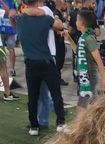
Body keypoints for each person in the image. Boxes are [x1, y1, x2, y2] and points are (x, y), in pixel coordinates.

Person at [16, 0, 67, 135]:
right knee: (56, 93)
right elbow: (60, 25)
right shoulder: (46, 18)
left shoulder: (21, 19)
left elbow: (16, 20)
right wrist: (54, 15)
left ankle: (34, 126)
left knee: (33, 96)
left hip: (30, 63)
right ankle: (60, 123)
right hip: (46, 61)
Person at [73, 9, 105, 110]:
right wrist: (68, 38)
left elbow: (99, 61)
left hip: (89, 76)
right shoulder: (83, 37)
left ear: (82, 23)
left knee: (81, 107)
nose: (75, 22)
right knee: (88, 105)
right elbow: (77, 51)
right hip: (85, 75)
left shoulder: (89, 39)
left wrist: (104, 82)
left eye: (77, 20)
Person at [0, 0, 18, 76]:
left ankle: (3, 67)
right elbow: (15, 14)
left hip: (1, 28)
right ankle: (12, 69)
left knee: (1, 48)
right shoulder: (13, 2)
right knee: (11, 49)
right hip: (10, 28)